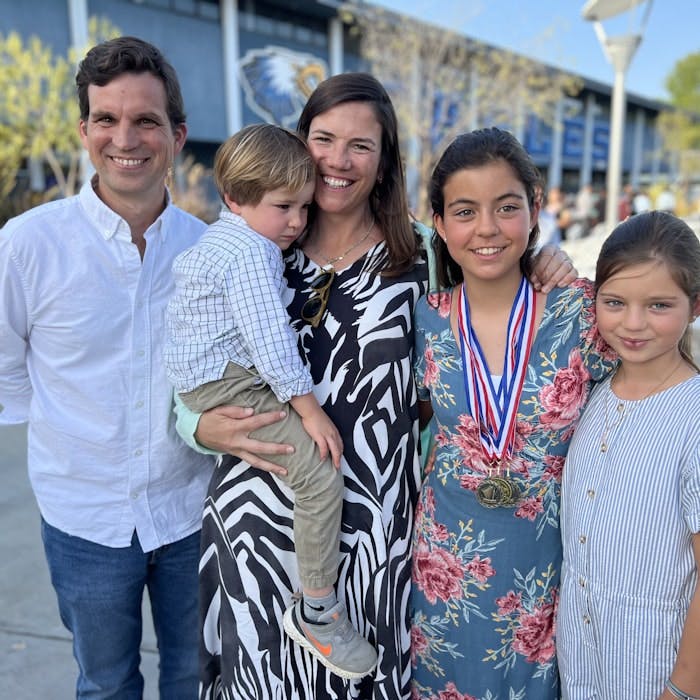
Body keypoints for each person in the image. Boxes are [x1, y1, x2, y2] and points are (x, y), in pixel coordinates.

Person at [177, 76, 576, 700]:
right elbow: (189, 359)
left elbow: (493, 294)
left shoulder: (419, 254)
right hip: (256, 521)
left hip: (372, 534)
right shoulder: (258, 240)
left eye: (361, 145)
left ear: (386, 158)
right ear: (297, 143)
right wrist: (195, 425)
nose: (338, 160)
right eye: (324, 139)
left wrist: (546, 263)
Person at [0, 36, 277, 699]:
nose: (126, 136)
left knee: (193, 677)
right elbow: (8, 375)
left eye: (146, 120)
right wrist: (73, 446)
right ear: (84, 130)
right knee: (104, 683)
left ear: (178, 135)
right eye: (107, 119)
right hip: (84, 520)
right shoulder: (26, 246)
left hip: (188, 513)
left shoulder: (212, 251)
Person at [164, 122, 376, 679]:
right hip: (231, 385)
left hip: (214, 380)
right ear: (236, 198)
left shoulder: (224, 240)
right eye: (284, 207)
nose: (297, 222)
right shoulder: (251, 253)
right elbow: (271, 341)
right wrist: (309, 411)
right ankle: (318, 612)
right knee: (319, 475)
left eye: (304, 208)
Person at [409, 128, 616, 699]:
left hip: (546, 572)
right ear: (440, 223)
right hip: (442, 571)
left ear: (536, 207)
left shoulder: (583, 310)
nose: (487, 229)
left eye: (506, 208)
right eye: (465, 211)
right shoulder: (420, 319)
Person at [557, 211, 700, 700]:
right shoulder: (592, 393)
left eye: (659, 305)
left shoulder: (693, 415)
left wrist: (682, 688)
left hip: (655, 672)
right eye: (615, 303)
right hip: (581, 664)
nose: (633, 324)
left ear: (695, 306)